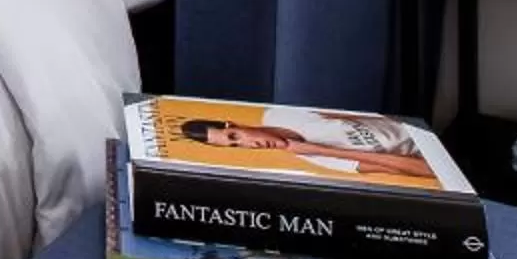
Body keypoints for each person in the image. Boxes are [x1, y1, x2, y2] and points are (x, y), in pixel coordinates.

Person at [176, 107, 441, 184]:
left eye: (235, 137)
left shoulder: (280, 114)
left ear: (232, 123)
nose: (250, 145)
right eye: (236, 148)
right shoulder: (316, 162)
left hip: (423, 125)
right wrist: (319, 150)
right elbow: (427, 171)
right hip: (433, 153)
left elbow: (363, 117)